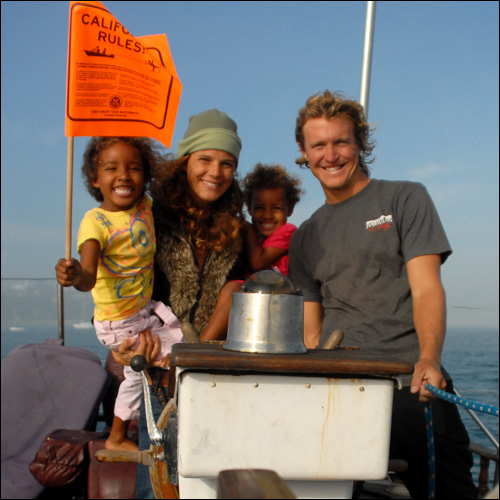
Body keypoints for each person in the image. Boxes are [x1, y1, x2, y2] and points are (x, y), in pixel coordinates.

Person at [288, 90, 477, 499]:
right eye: (318, 145)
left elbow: (426, 287)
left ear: (359, 143)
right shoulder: (304, 237)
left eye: (341, 142)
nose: (330, 155)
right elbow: (310, 334)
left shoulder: (405, 197)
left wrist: (429, 358)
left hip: (412, 385)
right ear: (303, 152)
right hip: (340, 393)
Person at [112, 109, 248, 498]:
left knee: (209, 486)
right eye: (205, 159)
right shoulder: (148, 218)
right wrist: (122, 343)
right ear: (186, 161)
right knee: (157, 487)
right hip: (158, 376)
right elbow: (118, 286)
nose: (215, 172)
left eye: (227, 163)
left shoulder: (237, 231)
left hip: (216, 380)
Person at [55, 137, 184, 452]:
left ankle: (121, 434)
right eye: (111, 168)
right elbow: (88, 277)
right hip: (120, 322)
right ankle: (119, 437)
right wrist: (74, 275)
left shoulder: (145, 205)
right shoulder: (95, 223)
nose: (124, 175)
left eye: (134, 168)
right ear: (95, 179)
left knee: (164, 358)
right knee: (161, 362)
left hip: (144, 311)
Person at [200, 162, 304, 341]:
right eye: (259, 207)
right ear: (249, 208)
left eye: (276, 208)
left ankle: (200, 345)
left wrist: (246, 228)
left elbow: (258, 262)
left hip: (277, 297)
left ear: (291, 209)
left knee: (233, 288)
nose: (267, 215)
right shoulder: (257, 237)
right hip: (257, 299)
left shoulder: (287, 231)